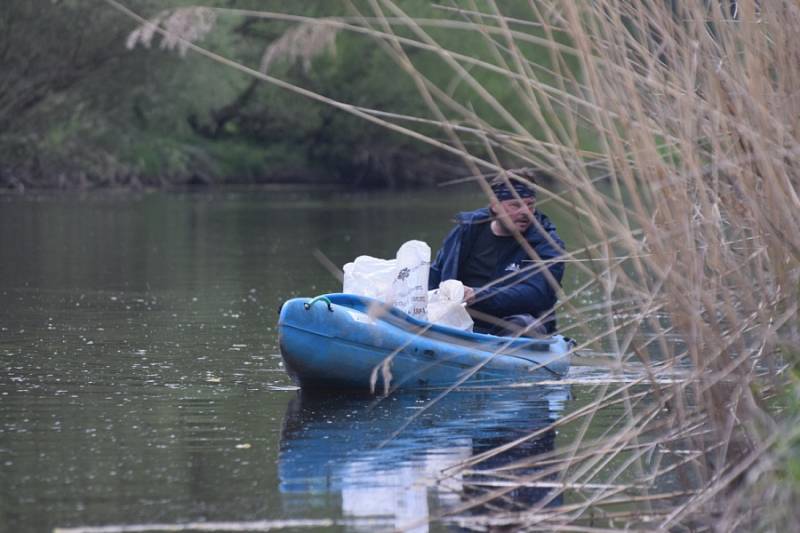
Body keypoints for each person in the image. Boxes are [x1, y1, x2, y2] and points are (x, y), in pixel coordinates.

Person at [428, 168, 566, 336]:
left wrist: (476, 295)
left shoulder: (547, 243)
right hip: (459, 321)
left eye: (530, 204)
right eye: (515, 205)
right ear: (495, 205)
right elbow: (437, 274)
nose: (525, 212)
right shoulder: (466, 231)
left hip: (513, 325)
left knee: (525, 325)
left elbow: (536, 295)